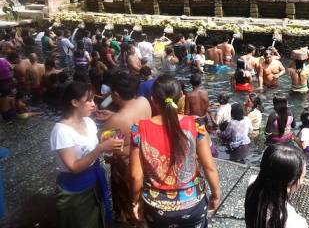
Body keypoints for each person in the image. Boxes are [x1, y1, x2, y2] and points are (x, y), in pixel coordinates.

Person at [129, 75, 221, 227]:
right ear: (182, 99)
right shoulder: (195, 124)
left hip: (156, 207)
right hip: (192, 203)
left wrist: (134, 202)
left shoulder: (138, 129)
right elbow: (209, 167)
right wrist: (216, 195)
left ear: (153, 100)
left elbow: (135, 176)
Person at [50, 81, 123, 227]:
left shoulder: (89, 122)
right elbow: (74, 167)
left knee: (99, 218)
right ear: (75, 102)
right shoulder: (61, 131)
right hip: (75, 187)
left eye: (93, 100)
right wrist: (100, 149)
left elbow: (93, 147)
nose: (93, 104)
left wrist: (109, 144)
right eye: (88, 100)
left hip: (94, 177)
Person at [102, 72, 151, 224]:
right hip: (147, 156)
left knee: (127, 201)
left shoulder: (116, 120)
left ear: (115, 94)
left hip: (127, 166)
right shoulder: (144, 102)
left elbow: (110, 147)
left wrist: (107, 123)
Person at [245, 144, 308, 228]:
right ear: (290, 181)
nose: (303, 181)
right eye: (303, 177)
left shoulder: (253, 184)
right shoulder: (294, 222)